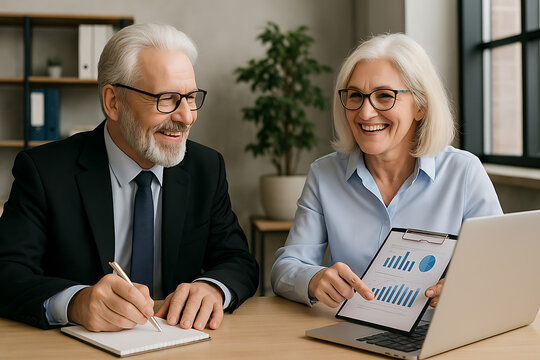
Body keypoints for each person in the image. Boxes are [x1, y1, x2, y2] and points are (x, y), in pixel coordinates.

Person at [0, 23, 258, 332]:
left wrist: (213, 287)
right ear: (113, 102)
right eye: (167, 99)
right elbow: (7, 273)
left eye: (190, 97)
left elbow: (238, 260)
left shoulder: (206, 167)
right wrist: (75, 302)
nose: (186, 117)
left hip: (178, 344)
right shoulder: (44, 170)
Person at [271, 33, 502, 309]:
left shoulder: (464, 173)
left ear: (420, 106)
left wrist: (463, 285)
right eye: (355, 95)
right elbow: (284, 269)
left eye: (384, 96)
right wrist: (313, 278)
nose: (365, 112)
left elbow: (499, 267)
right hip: (348, 334)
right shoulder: (324, 174)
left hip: (434, 334)